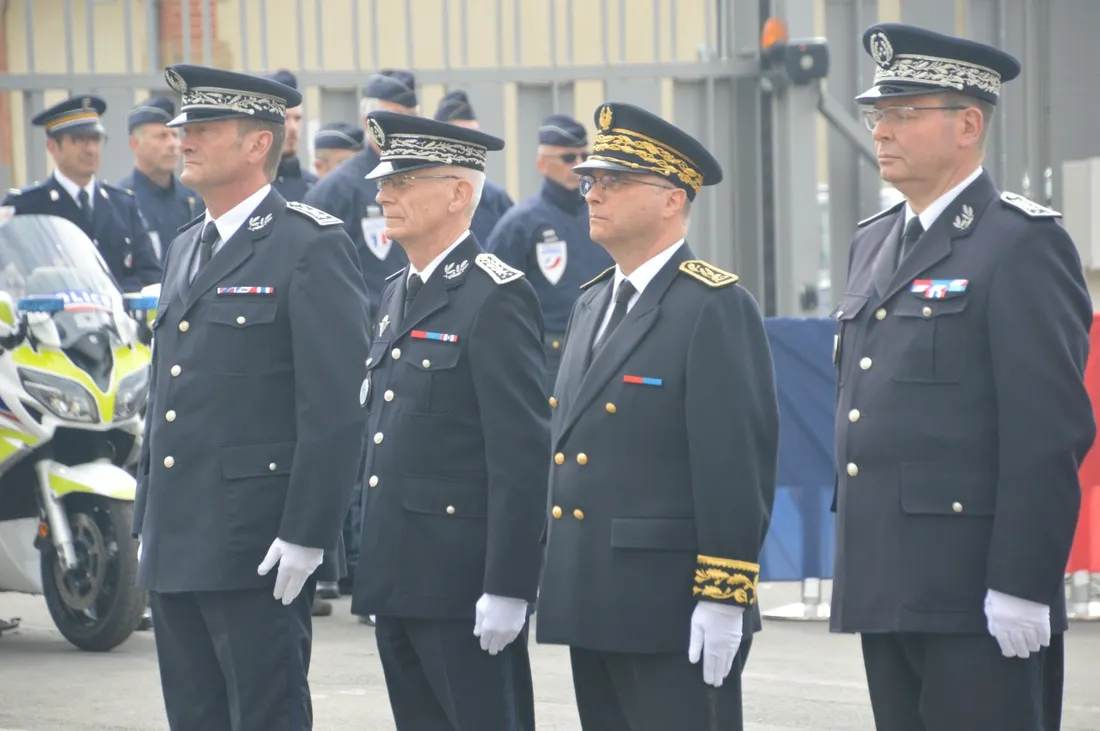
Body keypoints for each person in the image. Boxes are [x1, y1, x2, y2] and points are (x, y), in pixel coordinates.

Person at [831, 23, 1095, 731]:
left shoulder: (1021, 244)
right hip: (887, 581)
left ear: (968, 123)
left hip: (975, 589)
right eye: (877, 114)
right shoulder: (872, 240)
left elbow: (1048, 431)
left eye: (904, 113)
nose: (882, 130)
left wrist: (1022, 580)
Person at [132, 63, 370, 731]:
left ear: (258, 143)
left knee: (266, 714)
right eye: (184, 128)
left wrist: (306, 534)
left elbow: (333, 410)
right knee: (196, 716)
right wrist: (148, 519)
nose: (185, 140)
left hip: (257, 544)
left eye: (204, 128)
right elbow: (169, 395)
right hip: (178, 538)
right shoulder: (186, 246)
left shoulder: (307, 244)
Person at [534, 101, 777, 731]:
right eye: (590, 180)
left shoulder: (712, 306)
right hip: (594, 596)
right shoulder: (592, 303)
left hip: (669, 605)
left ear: (672, 199)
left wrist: (725, 596)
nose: (593, 194)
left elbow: (734, 465)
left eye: (615, 182)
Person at [351, 110, 548, 731]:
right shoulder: (394, 292)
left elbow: (520, 455)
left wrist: (510, 586)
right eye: (384, 180)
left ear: (459, 193)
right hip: (398, 579)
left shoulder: (495, 296)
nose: (384, 193)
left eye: (404, 180)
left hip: (462, 587)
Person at [304, 69, 419, 609]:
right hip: (363, 339)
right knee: (361, 461)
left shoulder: (422, 174)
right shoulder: (340, 187)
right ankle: (348, 568)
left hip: (417, 337)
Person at [487, 114, 612, 391]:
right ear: (542, 164)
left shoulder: (605, 215)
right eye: (568, 158)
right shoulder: (519, 224)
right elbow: (496, 303)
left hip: (607, 348)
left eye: (585, 155)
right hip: (551, 358)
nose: (580, 164)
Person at [2, 96, 161, 292]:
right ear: (52, 146)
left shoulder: (122, 204)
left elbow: (150, 275)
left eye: (95, 139)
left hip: (118, 318)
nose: (91, 149)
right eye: (79, 140)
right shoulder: (27, 206)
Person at [117, 96, 203, 260]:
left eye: (175, 135)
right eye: (162, 136)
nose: (172, 144)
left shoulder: (193, 199)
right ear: (134, 143)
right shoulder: (121, 201)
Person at [433, 90, 514, 244]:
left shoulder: (496, 200)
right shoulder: (421, 193)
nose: (472, 147)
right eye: (462, 138)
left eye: (476, 137)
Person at [264, 70, 318, 202]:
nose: (293, 127)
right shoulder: (246, 188)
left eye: (297, 119)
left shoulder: (315, 187)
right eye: (284, 118)